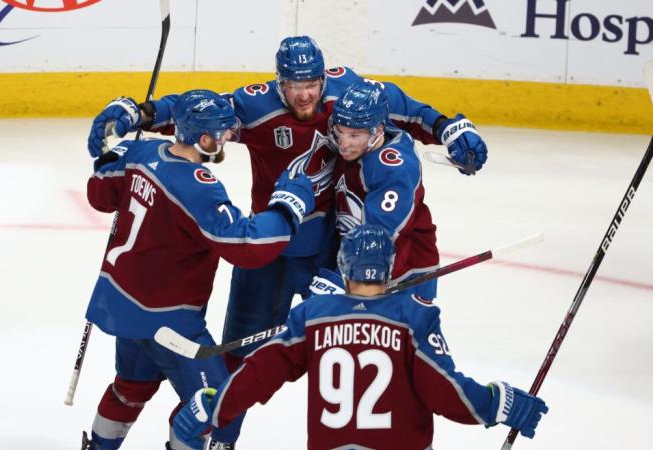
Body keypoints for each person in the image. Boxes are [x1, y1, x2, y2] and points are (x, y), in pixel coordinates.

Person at [86, 36, 489, 366]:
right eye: (294, 86)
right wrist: (138, 113)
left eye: (311, 84)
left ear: (323, 78)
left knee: (354, 360)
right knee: (239, 362)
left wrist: (449, 127)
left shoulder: (348, 93)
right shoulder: (257, 104)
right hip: (269, 253)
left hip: (331, 252)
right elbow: (201, 111)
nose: (304, 95)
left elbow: (404, 108)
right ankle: (221, 441)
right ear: (280, 82)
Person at [171, 225, 549, 450]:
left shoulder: (312, 317)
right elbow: (448, 393)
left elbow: (260, 373)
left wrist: (214, 405)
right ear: (388, 269)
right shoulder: (414, 317)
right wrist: (497, 403)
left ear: (344, 267)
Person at [80, 90, 315, 450]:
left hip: (123, 302)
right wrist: (287, 208)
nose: (228, 138)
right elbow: (245, 245)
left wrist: (109, 153)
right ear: (203, 139)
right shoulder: (196, 187)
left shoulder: (143, 153)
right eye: (221, 133)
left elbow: (100, 194)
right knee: (215, 400)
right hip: (168, 318)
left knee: (131, 386)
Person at [328, 80, 444, 300]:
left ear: (378, 130)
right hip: (364, 269)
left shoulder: (393, 170)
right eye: (340, 132)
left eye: (354, 136)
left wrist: (336, 277)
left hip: (405, 274)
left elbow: (376, 238)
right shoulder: (360, 136)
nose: (343, 143)